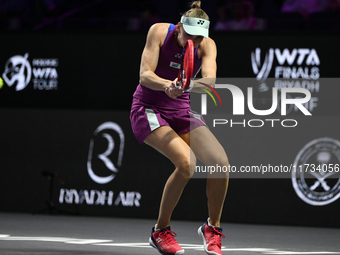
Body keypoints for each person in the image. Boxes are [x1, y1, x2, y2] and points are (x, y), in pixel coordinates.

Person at [130, 1, 229, 255]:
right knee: (187, 164)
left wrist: (187, 86)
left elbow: (209, 82)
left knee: (220, 162)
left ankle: (212, 228)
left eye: (198, 37)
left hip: (181, 110)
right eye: (189, 36)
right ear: (178, 28)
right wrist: (167, 85)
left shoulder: (207, 45)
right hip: (148, 108)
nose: (192, 42)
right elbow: (144, 75)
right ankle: (160, 231)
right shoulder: (158, 32)